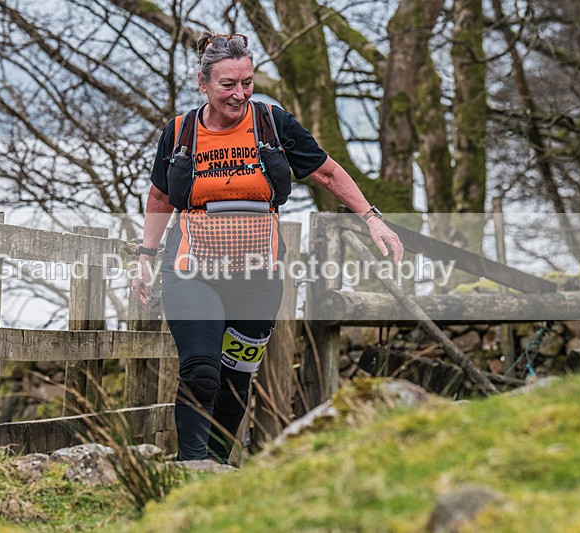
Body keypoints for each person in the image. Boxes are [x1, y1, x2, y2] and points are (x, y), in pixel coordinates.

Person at [132, 32, 403, 463]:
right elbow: (160, 198)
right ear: (203, 84)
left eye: (247, 82)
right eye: (227, 85)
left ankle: (219, 465)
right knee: (202, 370)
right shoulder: (180, 132)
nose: (239, 94)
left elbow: (329, 174)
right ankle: (192, 468)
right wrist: (145, 258)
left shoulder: (272, 123)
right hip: (191, 271)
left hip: (259, 278)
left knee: (236, 379)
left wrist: (372, 220)